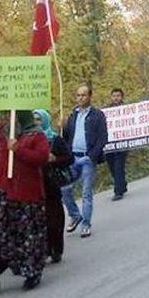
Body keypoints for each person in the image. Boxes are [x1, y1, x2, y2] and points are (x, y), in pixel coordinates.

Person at [0, 111, 50, 293]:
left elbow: (42, 158)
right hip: (3, 193)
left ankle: (32, 273)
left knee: (26, 237)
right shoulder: (3, 134)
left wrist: (19, 150)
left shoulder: (36, 135)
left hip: (26, 196)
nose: (10, 119)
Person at [61, 85, 108, 238]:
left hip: (87, 158)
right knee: (65, 189)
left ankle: (86, 224)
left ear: (89, 96)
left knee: (86, 192)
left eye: (83, 95)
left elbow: (103, 138)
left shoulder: (97, 115)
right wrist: (63, 127)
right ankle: (75, 215)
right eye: (78, 95)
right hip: (72, 157)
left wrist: (92, 156)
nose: (80, 98)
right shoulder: (73, 115)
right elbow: (67, 136)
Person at [33, 109, 73, 264]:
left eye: (38, 119)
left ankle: (56, 248)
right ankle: (44, 249)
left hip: (51, 184)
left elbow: (69, 158)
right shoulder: (29, 139)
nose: (36, 122)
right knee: (38, 218)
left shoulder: (55, 139)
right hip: (34, 184)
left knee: (54, 217)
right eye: (33, 119)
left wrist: (55, 159)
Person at [106, 88, 128, 201]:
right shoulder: (106, 111)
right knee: (112, 167)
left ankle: (118, 191)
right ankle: (122, 184)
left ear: (121, 97)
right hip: (109, 144)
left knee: (118, 166)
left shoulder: (127, 110)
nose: (116, 98)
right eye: (114, 95)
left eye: (118, 95)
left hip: (122, 143)